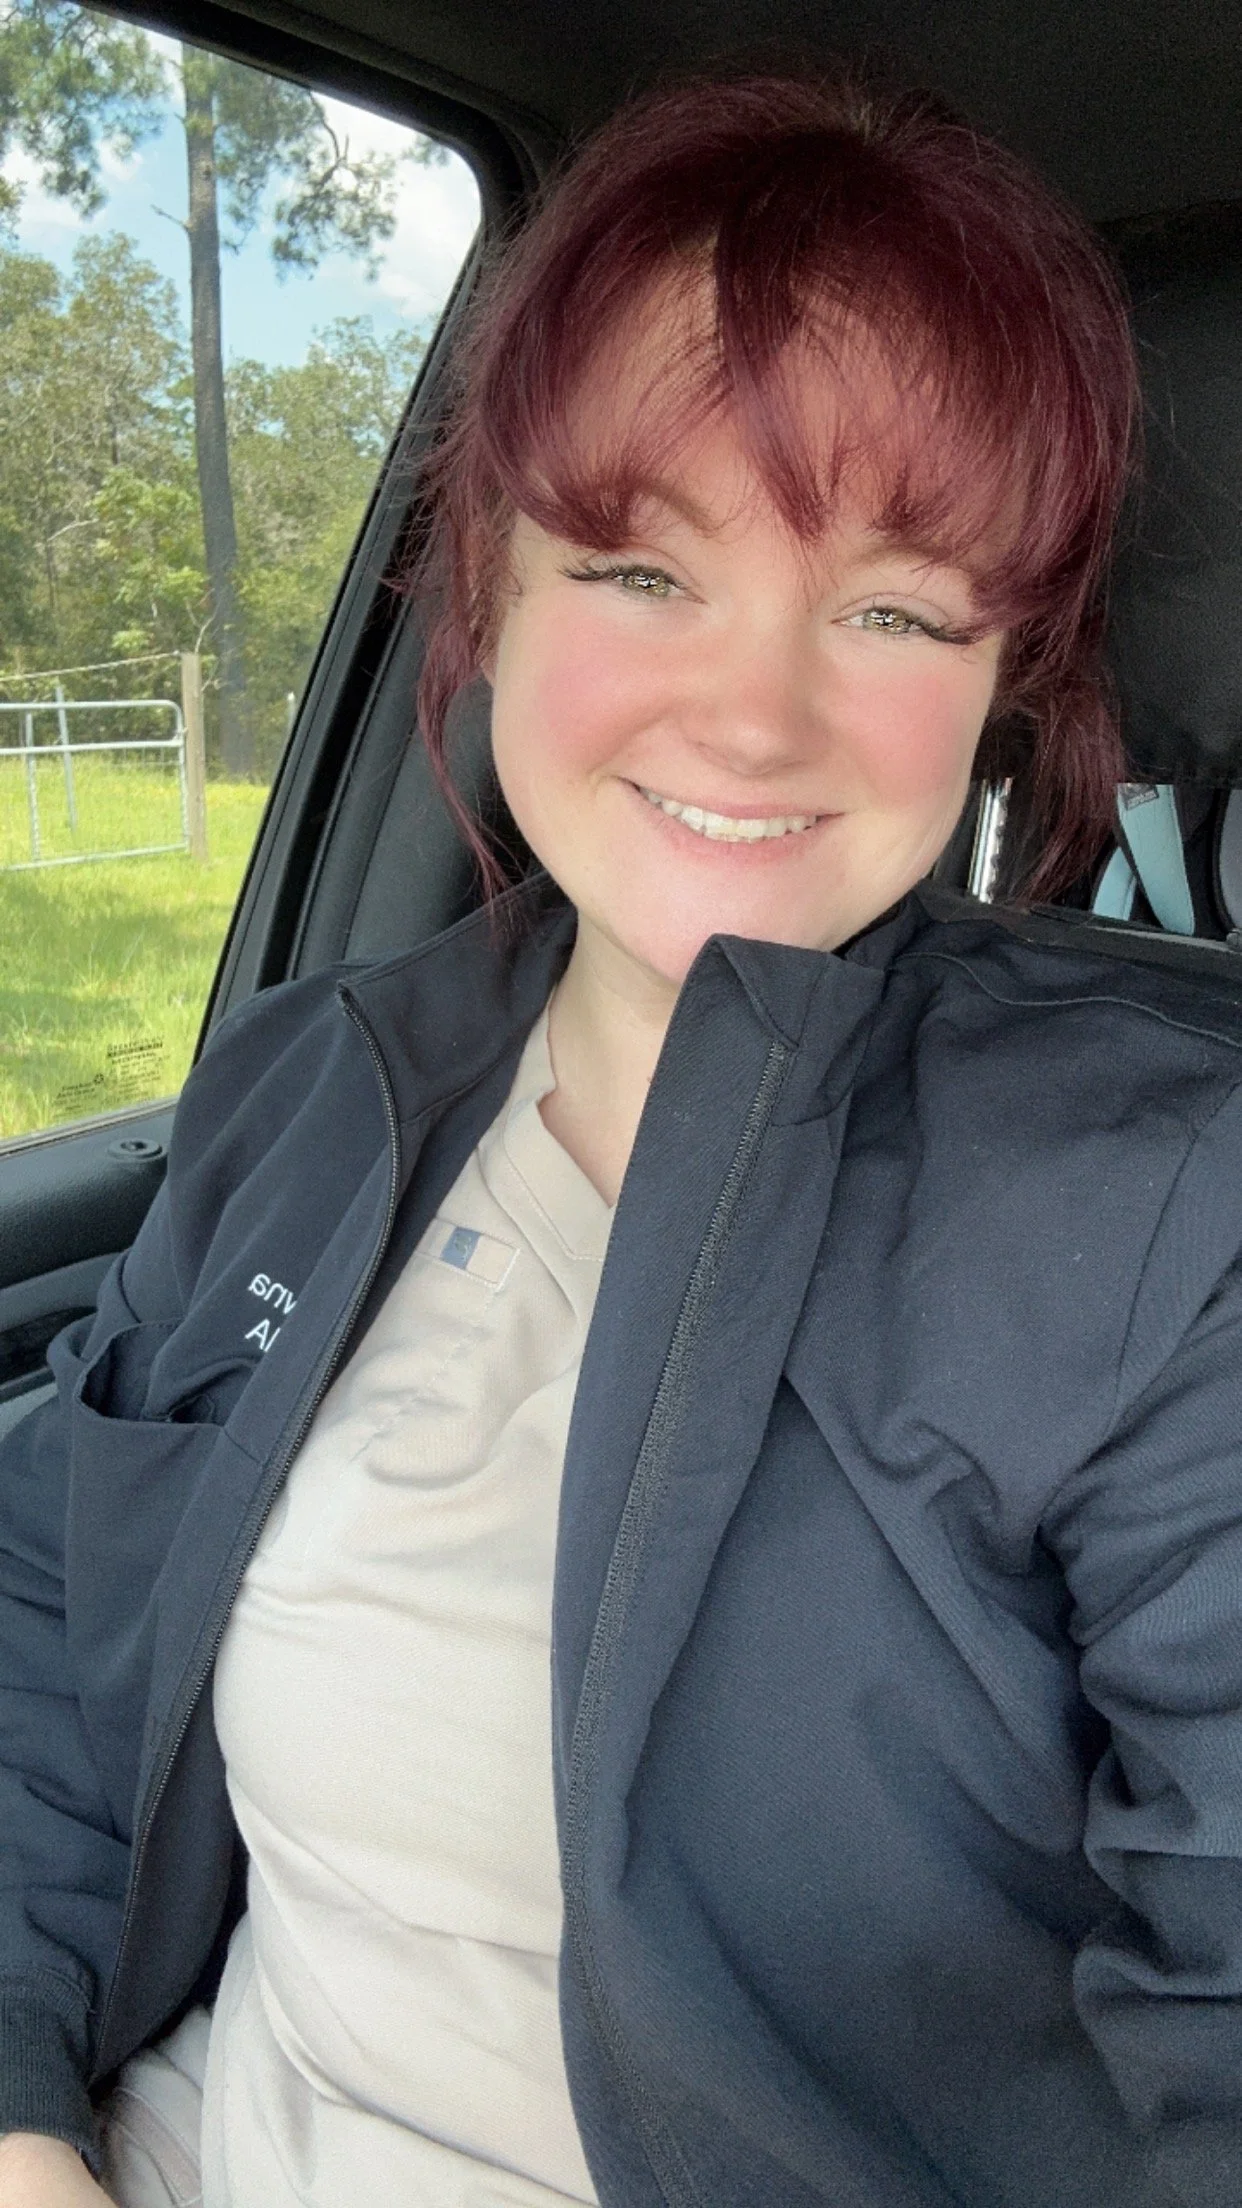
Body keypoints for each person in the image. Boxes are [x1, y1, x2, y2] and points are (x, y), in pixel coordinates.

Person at [2, 68, 1242, 2208]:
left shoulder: (1168, 1213)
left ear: (1001, 672)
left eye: (892, 606)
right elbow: (52, 1665)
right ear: (490, 572)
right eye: (646, 571)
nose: (754, 716)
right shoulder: (315, 1090)